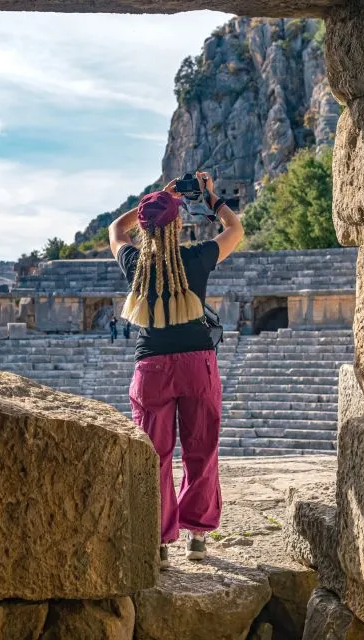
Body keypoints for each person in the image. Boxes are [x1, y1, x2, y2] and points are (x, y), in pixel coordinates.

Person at [108, 171, 244, 569]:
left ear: (146, 228)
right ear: (179, 224)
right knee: (201, 449)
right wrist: (213, 198)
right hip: (196, 364)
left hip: (151, 366)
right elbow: (235, 230)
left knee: (155, 455)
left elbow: (116, 229)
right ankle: (197, 537)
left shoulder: (134, 263)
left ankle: (159, 541)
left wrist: (154, 202)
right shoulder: (196, 259)